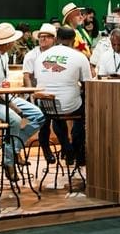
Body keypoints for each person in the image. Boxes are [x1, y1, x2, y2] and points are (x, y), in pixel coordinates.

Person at [0, 22, 45, 180]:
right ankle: (8, 162)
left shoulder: (4, 55)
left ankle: (14, 148)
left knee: (39, 116)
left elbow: (3, 85)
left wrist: (13, 98)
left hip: (5, 97)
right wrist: (13, 106)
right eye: (13, 40)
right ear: (7, 43)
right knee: (15, 119)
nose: (15, 43)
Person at [34, 27, 91, 166]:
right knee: (86, 110)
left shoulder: (41, 56)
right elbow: (88, 85)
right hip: (69, 106)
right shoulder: (79, 57)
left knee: (55, 114)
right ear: (73, 40)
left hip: (45, 105)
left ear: (56, 39)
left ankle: (66, 148)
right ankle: (77, 150)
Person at [22, 23, 58, 88]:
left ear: (54, 39)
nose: (43, 39)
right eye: (41, 36)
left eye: (47, 36)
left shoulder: (59, 53)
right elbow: (26, 77)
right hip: (37, 91)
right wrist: (31, 93)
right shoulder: (31, 55)